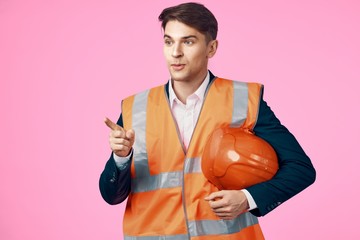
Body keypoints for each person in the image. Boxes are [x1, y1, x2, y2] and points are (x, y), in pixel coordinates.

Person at [99, 2, 316, 239]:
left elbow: (301, 169)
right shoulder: (136, 108)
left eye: (188, 42)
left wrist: (247, 199)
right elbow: (112, 196)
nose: (176, 52)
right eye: (169, 41)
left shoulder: (244, 100)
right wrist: (120, 158)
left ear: (211, 48)